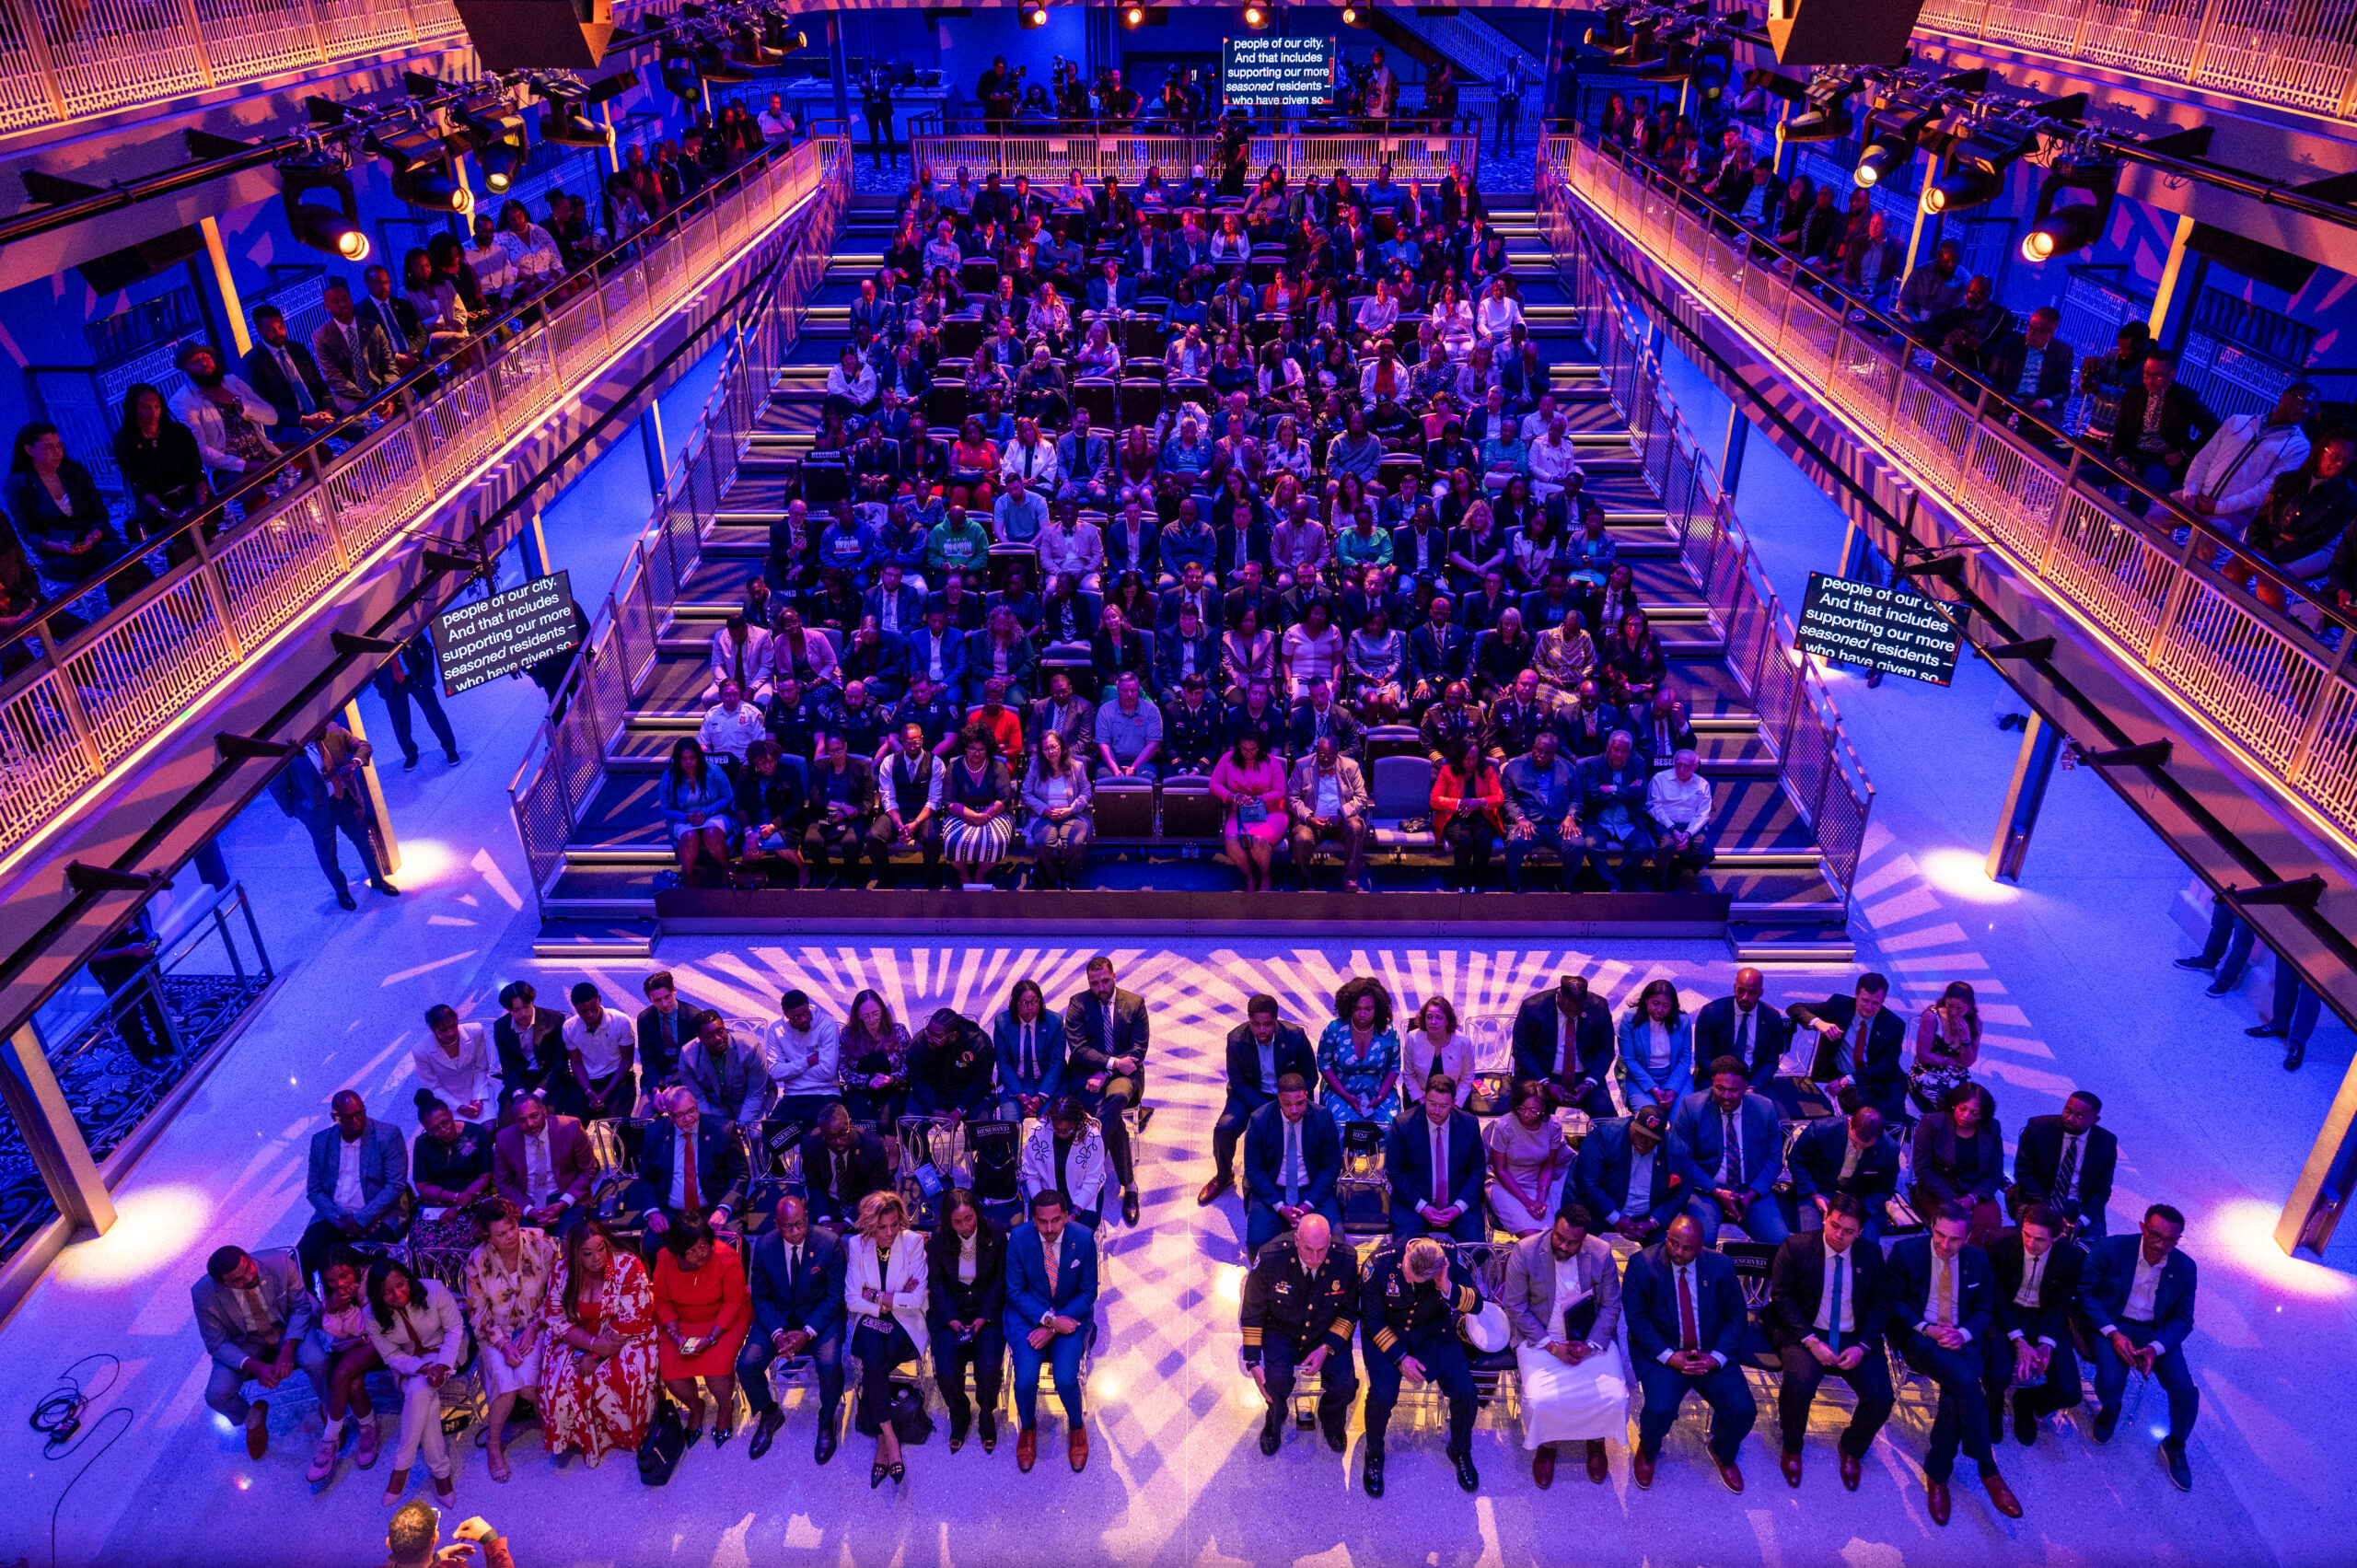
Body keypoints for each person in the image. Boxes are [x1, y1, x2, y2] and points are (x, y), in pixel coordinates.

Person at [1886, 1202, 2021, 1524]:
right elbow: (1893, 1302)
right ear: (1931, 1227)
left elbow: (1984, 1309)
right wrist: (1927, 1328)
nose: (1946, 1245)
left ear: (1968, 1236)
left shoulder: (1979, 1260)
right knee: (1966, 1381)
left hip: (1963, 1339)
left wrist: (1963, 1334)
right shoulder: (1907, 1253)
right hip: (1921, 1337)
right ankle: (1988, 1469)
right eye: (1940, 1235)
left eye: (1955, 1239)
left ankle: (1937, 1473)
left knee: (1956, 1394)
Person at [1764, 1193, 1894, 1492]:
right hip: (1806, 1330)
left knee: (1881, 1398)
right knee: (1798, 1385)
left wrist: (1863, 1346)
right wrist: (1811, 1341)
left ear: (1860, 1232)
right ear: (1825, 1217)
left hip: (1853, 1335)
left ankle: (1852, 1448)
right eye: (1834, 1225)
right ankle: (1792, 1445)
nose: (1838, 1235)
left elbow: (1881, 1305)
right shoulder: (1796, 1246)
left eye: (1848, 1231)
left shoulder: (1871, 1254)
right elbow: (1781, 1298)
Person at [1503, 1199, 1627, 1489]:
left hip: (1589, 1336)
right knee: (1540, 1399)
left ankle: (1596, 1440)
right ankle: (1547, 1445)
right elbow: (1516, 1306)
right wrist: (1552, 1346)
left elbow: (1611, 1305)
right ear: (1553, 1228)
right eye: (1559, 1237)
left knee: (1614, 1396)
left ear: (1584, 1240)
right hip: (1539, 1337)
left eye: (1572, 1242)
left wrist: (1591, 1345)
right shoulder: (1526, 1251)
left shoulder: (1601, 1252)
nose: (1563, 1245)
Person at [1624, 1214, 1752, 1493]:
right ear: (1667, 1236)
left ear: (1701, 1246)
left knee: (1743, 1411)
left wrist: (1716, 1357)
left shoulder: (1721, 1266)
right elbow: (1637, 1319)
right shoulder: (1641, 1265)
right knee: (1659, 1409)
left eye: (1687, 1248)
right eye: (1673, 1243)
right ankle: (1648, 1449)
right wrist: (1670, 1357)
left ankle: (1721, 1450)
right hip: (1664, 1352)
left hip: (1709, 1352)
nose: (1679, 1252)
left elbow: (1737, 1318)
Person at [2081, 1202, 2200, 1491]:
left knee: (2185, 1390)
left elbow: (2184, 1319)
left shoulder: (2185, 1268)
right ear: (2143, 1228)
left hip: (2156, 1332)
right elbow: (2085, 1293)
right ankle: (2111, 1408)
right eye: (2156, 1236)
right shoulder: (2111, 1249)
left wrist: (2156, 1347)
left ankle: (2175, 1444)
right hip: (2113, 1323)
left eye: (2170, 1241)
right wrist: (2113, 1333)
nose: (2161, 1246)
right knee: (2111, 1381)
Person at [1358, 1235, 1481, 1496]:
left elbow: (1477, 1304)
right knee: (1382, 1395)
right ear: (1408, 1253)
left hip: (1432, 1331)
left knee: (1466, 1391)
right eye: (1407, 1270)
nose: (1408, 1277)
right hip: (1388, 1332)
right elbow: (1372, 1321)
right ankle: (1374, 1452)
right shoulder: (1378, 1264)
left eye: (1416, 1278)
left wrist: (1447, 1286)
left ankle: (1460, 1449)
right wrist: (1400, 1358)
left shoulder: (1447, 1256)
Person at [540, 1218, 659, 1469]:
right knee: (559, 1382)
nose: (597, 1257)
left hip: (625, 1334)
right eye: (588, 1253)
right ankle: (581, 1441)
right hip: (579, 1334)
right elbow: (557, 1318)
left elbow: (633, 1318)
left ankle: (626, 1437)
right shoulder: (562, 1271)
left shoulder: (627, 1265)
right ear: (575, 1254)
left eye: (601, 1248)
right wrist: (593, 1344)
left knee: (626, 1376)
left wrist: (596, 1357)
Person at [192, 1245, 330, 1459]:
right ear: (223, 1284)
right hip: (245, 1340)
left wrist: (288, 1348)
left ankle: (330, 1408)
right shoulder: (203, 1294)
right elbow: (216, 1344)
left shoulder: (281, 1263)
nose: (249, 1277)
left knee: (317, 1361)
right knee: (216, 1395)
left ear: (248, 1258)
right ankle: (253, 1417)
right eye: (238, 1279)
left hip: (287, 1326)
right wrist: (254, 1366)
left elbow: (301, 1308)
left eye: (248, 1268)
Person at [1240, 1212, 1360, 1455]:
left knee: (1346, 1386)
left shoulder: (1345, 1259)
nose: (1315, 1258)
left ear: (1329, 1241)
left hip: (1326, 1330)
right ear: (1296, 1240)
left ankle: (1331, 1421)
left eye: (1322, 1250)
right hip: (1282, 1330)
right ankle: (1275, 1420)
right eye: (1308, 1249)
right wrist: (1252, 1362)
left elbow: (1349, 1311)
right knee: (1274, 1384)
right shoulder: (1271, 1257)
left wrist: (1326, 1347)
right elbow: (1252, 1310)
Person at [739, 1193, 848, 1463]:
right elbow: (760, 1297)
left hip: (820, 1318)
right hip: (778, 1317)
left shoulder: (829, 1243)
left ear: (807, 1217)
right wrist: (777, 1333)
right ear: (777, 1224)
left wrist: (808, 1331)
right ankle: (769, 1413)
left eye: (800, 1223)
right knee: (747, 1364)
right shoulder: (765, 1246)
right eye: (788, 1226)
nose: (796, 1231)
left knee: (830, 1365)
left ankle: (827, 1418)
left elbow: (835, 1297)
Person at [1005, 1187, 1098, 1473]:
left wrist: (1055, 1325)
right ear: (1033, 1219)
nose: (1049, 1228)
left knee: (1066, 1379)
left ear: (1066, 1216)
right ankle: (1028, 1427)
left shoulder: (1083, 1239)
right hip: (1028, 1317)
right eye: (1042, 1221)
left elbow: (1088, 1293)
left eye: (1055, 1220)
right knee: (1024, 1382)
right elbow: (1015, 1292)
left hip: (1071, 1314)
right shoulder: (1019, 1238)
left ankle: (1077, 1426)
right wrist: (1050, 1321)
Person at [461, 1200, 556, 1482]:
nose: (511, 1235)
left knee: (527, 1385)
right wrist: (503, 1344)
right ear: (487, 1236)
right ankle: (493, 1444)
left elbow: (558, 1292)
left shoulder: (541, 1243)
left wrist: (534, 1329)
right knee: (506, 1385)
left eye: (512, 1226)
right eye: (501, 1233)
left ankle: (552, 1428)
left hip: (537, 1324)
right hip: (495, 1332)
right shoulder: (477, 1260)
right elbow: (477, 1313)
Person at [361, 1257, 466, 1508]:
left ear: (407, 1278)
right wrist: (421, 1367)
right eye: (388, 1292)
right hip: (408, 1363)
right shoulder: (371, 1314)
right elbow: (390, 1355)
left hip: (445, 1351)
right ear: (378, 1296)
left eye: (401, 1284)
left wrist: (442, 1365)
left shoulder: (434, 1290)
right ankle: (441, 1474)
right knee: (423, 1394)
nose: (398, 1294)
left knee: (419, 1391)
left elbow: (455, 1329)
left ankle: (401, 1468)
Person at [1981, 1204, 2085, 1450]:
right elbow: (1994, 1296)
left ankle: (2026, 1402)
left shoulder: (2071, 1257)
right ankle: (1993, 1407)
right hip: (2004, 1315)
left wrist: (2046, 1344)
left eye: (2039, 1239)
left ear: (2056, 1237)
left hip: (2043, 1319)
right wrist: (2019, 1341)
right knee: (1998, 1373)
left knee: (2070, 1391)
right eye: (2026, 1234)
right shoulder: (1998, 1242)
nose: (2030, 1243)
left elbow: (2061, 1304)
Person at [270, 722, 400, 911]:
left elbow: (363, 746)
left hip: (347, 799)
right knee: (328, 855)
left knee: (365, 841)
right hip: (317, 812)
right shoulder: (286, 751)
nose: (322, 730)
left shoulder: (332, 729)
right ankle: (341, 891)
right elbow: (278, 788)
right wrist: (297, 812)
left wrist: (354, 762)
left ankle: (378, 880)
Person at [650, 1208, 751, 1447]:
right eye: (692, 1250)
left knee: (717, 1368)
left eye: (704, 1245)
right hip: (681, 1322)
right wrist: (674, 1334)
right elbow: (662, 1301)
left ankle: (725, 1408)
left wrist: (712, 1337)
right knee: (671, 1373)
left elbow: (732, 1303)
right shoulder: (665, 1258)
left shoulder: (726, 1258)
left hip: (724, 1320)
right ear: (678, 1251)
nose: (701, 1253)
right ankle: (696, 1407)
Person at [1063, 956, 1148, 1226]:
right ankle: (1130, 1186)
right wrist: (1110, 1064)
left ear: (1114, 976)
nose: (1100, 988)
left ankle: (1090, 1154)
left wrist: (1108, 1071)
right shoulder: (1078, 1004)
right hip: (1087, 1076)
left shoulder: (1134, 1004)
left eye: (1104, 981)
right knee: (1115, 1121)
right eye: (1094, 983)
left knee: (1118, 1096)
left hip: (1123, 1074)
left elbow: (1137, 1051)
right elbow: (1079, 1049)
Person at [1669, 1054, 1789, 1245]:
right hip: (1705, 1189)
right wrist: (1715, 1191)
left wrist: (1752, 1193)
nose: (1726, 1095)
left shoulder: (1764, 1108)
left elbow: (1774, 1158)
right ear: (1712, 1082)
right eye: (1720, 1088)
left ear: (1745, 1087)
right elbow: (1680, 1158)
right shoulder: (1692, 1107)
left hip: (1751, 1189)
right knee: (1700, 1242)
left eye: (1733, 1090)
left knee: (1779, 1242)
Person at [926, 1188, 1008, 1452]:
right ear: (948, 1221)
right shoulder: (939, 1238)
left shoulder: (995, 1233)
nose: (965, 1226)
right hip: (951, 1312)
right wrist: (951, 1319)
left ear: (977, 1214)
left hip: (986, 1311)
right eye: (958, 1221)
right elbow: (937, 1283)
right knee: (946, 1372)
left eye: (969, 1218)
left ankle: (986, 1412)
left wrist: (983, 1317)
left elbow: (999, 1280)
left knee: (989, 1370)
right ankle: (960, 1413)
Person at [299, 1090, 411, 1283]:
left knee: (371, 1266)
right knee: (300, 1260)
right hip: (334, 1217)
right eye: (348, 1117)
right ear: (335, 1118)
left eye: (360, 1113)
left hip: (378, 1215)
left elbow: (395, 1185)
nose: (356, 1120)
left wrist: (360, 1220)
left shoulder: (387, 1135)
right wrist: (341, 1221)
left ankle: (370, 1301)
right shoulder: (321, 1141)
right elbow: (314, 1191)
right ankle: (315, 1302)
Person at [1242, 1072, 1341, 1259]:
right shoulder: (1259, 1120)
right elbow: (1254, 1170)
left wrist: (1308, 1204)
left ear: (1306, 1095)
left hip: (1312, 1190)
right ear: (1279, 1098)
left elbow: (1331, 1167)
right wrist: (1280, 1206)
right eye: (1287, 1104)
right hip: (1273, 1191)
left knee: (1335, 1240)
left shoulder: (1323, 1118)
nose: (1294, 1110)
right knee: (1257, 1242)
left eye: (1300, 1103)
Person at [1787, 971, 1909, 1123]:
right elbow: (1795, 1008)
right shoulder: (1838, 1006)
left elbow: (1885, 1066)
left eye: (1875, 1003)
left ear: (1883, 1001)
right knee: (1868, 1116)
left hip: (1884, 1079)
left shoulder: (1894, 1025)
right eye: (1865, 1000)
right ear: (1856, 994)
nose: (1869, 1007)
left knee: (1895, 1118)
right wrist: (1819, 1023)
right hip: (1851, 1082)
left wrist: (1847, 1080)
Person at [633, 1086, 749, 1242]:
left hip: (713, 1207)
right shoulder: (655, 1133)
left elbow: (740, 1174)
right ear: (670, 1115)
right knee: (651, 1244)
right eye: (680, 1115)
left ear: (696, 1105)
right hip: (671, 1212)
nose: (688, 1118)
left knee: (732, 1242)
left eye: (691, 1111)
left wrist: (724, 1208)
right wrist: (653, 1212)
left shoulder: (722, 1130)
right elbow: (646, 1179)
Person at [1385, 1074, 1485, 1242]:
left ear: (1454, 1103)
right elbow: (1396, 1173)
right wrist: (1422, 1207)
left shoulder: (1469, 1125)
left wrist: (1458, 1207)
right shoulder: (1403, 1125)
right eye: (1432, 1104)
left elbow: (1477, 1172)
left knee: (1477, 1250)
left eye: (1443, 1106)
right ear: (1424, 1097)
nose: (1436, 1111)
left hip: (1458, 1203)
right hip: (1414, 1204)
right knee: (1407, 1251)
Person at [1572, 1102, 1684, 1245]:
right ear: (1632, 1125)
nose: (1643, 1141)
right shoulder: (1605, 1137)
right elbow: (1588, 1183)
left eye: (1650, 1138)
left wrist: (1653, 1222)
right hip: (1600, 1211)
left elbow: (1681, 1193)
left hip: (1649, 1218)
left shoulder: (1676, 1150)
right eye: (1639, 1133)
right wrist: (1615, 1219)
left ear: (1661, 1139)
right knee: (1576, 1244)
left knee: (1670, 1250)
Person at [2012, 1089, 2117, 1239]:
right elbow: (2023, 1173)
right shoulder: (2038, 1128)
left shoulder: (2106, 1143)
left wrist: (2082, 1220)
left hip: (2080, 1205)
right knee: (2038, 1239)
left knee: (2091, 1248)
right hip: (2040, 1198)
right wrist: (2049, 1210)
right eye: (2067, 1111)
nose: (2069, 1118)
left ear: (2095, 1120)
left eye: (2079, 1116)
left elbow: (2102, 1190)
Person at [1507, 974, 1615, 1118]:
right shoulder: (1533, 1007)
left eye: (1577, 1011)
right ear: (1559, 997)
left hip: (1584, 1077)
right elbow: (1521, 1050)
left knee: (1607, 1118)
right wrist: (1545, 1083)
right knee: (1533, 1117)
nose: (1573, 1015)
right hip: (1541, 1075)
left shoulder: (1599, 1007)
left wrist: (1590, 1083)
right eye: (1568, 1010)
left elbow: (1606, 1050)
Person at [1789, 1098, 1898, 1237]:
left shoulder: (1889, 1149)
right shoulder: (1821, 1130)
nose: (1858, 1149)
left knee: (1866, 1245)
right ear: (1850, 1123)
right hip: (1819, 1190)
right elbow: (1796, 1161)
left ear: (1878, 1138)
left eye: (1864, 1147)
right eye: (1855, 1143)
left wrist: (1859, 1209)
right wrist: (1814, 1194)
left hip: (1859, 1200)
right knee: (1811, 1240)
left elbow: (1884, 1190)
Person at [490, 1091, 593, 1236]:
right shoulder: (505, 1139)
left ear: (543, 1110)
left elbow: (588, 1170)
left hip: (567, 1196)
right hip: (525, 1202)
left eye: (534, 1116)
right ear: (515, 1121)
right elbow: (503, 1183)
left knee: (565, 1241)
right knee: (527, 1243)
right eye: (522, 1120)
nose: (530, 1124)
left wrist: (563, 1203)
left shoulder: (570, 1127)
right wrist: (529, 1211)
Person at [1912, 1082, 2006, 1239]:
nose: (1966, 1116)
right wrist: (1952, 1199)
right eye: (1963, 1109)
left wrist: (1973, 1198)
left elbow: (1995, 1173)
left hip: (1977, 1190)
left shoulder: (1991, 1128)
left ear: (1982, 1115)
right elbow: (1922, 1169)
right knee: (1952, 1229)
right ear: (1954, 1105)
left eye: (1974, 1113)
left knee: (1986, 1231)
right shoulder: (1932, 1123)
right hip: (1938, 1191)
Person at [1286, 732, 1370, 890]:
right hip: (1312, 822)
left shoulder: (1351, 766)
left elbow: (1362, 797)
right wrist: (1309, 817)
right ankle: (1305, 878)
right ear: (1316, 751)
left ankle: (1350, 879)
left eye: (1330, 755)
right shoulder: (1302, 766)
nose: (1325, 759)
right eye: (1322, 754)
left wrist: (1341, 814)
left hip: (1342, 820)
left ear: (1337, 754)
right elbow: (1292, 797)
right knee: (1300, 839)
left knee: (1355, 827)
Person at [407, 1094, 492, 1252]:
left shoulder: (476, 1133)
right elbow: (422, 1186)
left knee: (466, 1239)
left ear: (450, 1115)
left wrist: (461, 1201)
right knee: (421, 1243)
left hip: (474, 1196)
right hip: (437, 1200)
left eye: (444, 1123)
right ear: (427, 1130)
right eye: (435, 1129)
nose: (443, 1130)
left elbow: (485, 1176)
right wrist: (453, 1197)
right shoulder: (423, 1143)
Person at [1692, 967, 1794, 1098]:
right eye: (1741, 991)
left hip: (1752, 1079)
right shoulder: (1711, 1012)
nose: (1745, 997)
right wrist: (1726, 1083)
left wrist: (1753, 1087)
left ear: (1761, 992)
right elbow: (1703, 1057)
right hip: (1715, 1077)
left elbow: (1770, 1061)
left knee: (1768, 1110)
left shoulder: (1771, 1017)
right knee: (1709, 1108)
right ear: (1735, 988)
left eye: (1752, 992)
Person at [1318, 974, 1401, 1127]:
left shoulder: (1389, 1032)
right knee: (1340, 1128)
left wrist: (1380, 1097)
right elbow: (1324, 1063)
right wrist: (1345, 1095)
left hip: (1379, 1092)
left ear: (1377, 1008)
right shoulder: (1334, 1029)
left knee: (1388, 1128)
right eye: (1357, 1009)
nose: (1362, 1014)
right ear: (1349, 1007)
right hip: (1340, 1091)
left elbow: (1394, 1067)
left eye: (1368, 1009)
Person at [1211, 729, 1288, 891]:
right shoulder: (1228, 760)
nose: (1249, 753)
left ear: (1260, 747)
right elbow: (1214, 784)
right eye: (1244, 749)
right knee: (1231, 840)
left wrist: (1258, 798)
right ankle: (1250, 876)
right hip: (1240, 811)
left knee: (1259, 840)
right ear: (1238, 747)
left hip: (1271, 811)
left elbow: (1280, 791)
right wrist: (1232, 797)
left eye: (1253, 749)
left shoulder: (1271, 762)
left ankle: (1265, 876)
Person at [370, 633, 461, 771]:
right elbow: (365, 666)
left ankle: (450, 749)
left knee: (435, 715)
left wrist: (427, 675)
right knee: (400, 723)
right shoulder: (371, 634)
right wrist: (379, 684)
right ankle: (410, 754)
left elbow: (427, 648)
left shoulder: (401, 626)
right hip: (391, 684)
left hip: (417, 676)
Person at [1021, 1093, 1110, 1228]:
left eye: (1067, 1130)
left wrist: (1075, 1213)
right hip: (1046, 1194)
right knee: (1041, 1232)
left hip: (1083, 1195)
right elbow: (1031, 1174)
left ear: (1077, 1122)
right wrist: (1043, 1206)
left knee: (1078, 1234)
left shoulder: (1092, 1136)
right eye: (1057, 1130)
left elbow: (1093, 1178)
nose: (1061, 1134)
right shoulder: (1038, 1131)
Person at [1576, 729, 1652, 889]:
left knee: (1643, 848)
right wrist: (1626, 791)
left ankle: (1613, 881)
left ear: (1629, 752)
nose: (1619, 754)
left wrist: (1611, 789)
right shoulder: (1594, 764)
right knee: (1591, 846)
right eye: (1616, 749)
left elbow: (1640, 792)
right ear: (1608, 747)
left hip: (1627, 821)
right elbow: (1592, 795)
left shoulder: (1637, 764)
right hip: (1599, 820)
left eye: (1623, 751)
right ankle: (1614, 884)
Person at [657, 736, 735, 889]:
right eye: (684, 758)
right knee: (689, 837)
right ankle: (689, 878)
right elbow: (665, 809)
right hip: (684, 818)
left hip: (714, 814)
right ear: (677, 759)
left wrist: (705, 812)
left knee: (711, 833)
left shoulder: (714, 771)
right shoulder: (669, 777)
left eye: (692, 758)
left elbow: (728, 798)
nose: (688, 762)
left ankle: (726, 871)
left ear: (698, 757)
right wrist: (686, 817)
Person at [799, 1103, 894, 1226]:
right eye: (831, 1137)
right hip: (828, 1204)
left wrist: (846, 1223)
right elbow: (814, 1186)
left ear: (850, 1123)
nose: (838, 1141)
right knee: (811, 1232)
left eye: (843, 1134)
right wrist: (825, 1220)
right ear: (822, 1134)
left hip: (862, 1204)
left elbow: (874, 1191)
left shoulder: (873, 1145)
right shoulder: (810, 1144)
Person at [1023, 727, 1095, 889]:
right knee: (1043, 843)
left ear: (1061, 746)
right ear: (1042, 751)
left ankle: (1068, 877)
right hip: (1043, 816)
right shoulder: (1035, 766)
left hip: (1073, 814)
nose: (1051, 751)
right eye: (1046, 748)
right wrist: (1044, 809)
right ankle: (1054, 877)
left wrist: (1071, 809)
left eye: (1054, 747)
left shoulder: (1077, 766)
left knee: (1075, 843)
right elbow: (1026, 793)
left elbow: (1086, 792)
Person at [762, 988, 842, 1128]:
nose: (804, 1019)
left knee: (820, 1133)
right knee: (771, 1134)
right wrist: (808, 1061)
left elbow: (828, 1072)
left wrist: (789, 1071)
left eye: (805, 1013)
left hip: (825, 1093)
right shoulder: (777, 1030)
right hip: (792, 1096)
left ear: (808, 1006)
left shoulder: (827, 1027)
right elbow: (774, 1072)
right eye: (797, 1017)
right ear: (786, 1014)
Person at [678, 1012, 769, 1130]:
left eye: (720, 1031)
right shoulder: (688, 1056)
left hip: (749, 1102)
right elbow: (698, 1098)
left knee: (754, 1135)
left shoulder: (751, 1048)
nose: (718, 1038)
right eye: (710, 1035)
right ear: (699, 1037)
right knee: (713, 1135)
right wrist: (714, 1126)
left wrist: (741, 1125)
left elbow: (755, 1094)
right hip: (715, 1106)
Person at [559, 981, 636, 1121]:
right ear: (576, 1008)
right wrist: (588, 1091)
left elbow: (627, 1060)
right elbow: (576, 1062)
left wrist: (606, 1093)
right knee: (572, 1124)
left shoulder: (621, 1021)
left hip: (617, 1078)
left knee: (615, 1125)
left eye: (593, 1009)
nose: (590, 1015)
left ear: (599, 1000)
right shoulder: (569, 1028)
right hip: (587, 1081)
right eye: (583, 1011)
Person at [634, 970, 714, 1105]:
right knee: (647, 1115)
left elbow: (696, 1062)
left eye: (667, 997)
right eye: (657, 1000)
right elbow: (648, 1059)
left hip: (686, 1076)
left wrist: (673, 1087)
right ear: (649, 999)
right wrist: (656, 1090)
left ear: (674, 990)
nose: (664, 1004)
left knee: (682, 1109)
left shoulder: (693, 1016)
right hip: (658, 1078)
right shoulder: (644, 1018)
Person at [1616, 976, 1694, 1111]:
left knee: (1681, 1117)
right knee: (1650, 1118)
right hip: (1641, 1077)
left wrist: (1672, 1088)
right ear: (1646, 1000)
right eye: (1655, 1003)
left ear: (1672, 1006)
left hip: (1675, 1076)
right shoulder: (1629, 1018)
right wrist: (1653, 1088)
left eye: (1666, 1006)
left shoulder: (1683, 1020)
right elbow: (1629, 1060)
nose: (1659, 1010)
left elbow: (1685, 1058)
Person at [838, 989, 912, 1130]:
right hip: (860, 1089)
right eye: (866, 1016)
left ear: (882, 1011)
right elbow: (844, 1069)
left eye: (875, 1014)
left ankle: (890, 1142)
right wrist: (868, 1081)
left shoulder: (898, 1031)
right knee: (862, 1123)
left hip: (893, 1088)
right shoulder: (848, 1035)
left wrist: (892, 1079)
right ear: (858, 1015)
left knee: (886, 1121)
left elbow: (909, 1064)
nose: (872, 1020)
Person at [994, 976, 1066, 1121]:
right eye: (1024, 1003)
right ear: (1015, 1003)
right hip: (1015, 1085)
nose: (1030, 1007)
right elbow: (1003, 1064)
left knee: (1049, 1122)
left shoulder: (1055, 1022)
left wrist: (1041, 1098)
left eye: (1034, 1001)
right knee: (1011, 1124)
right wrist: (1020, 1096)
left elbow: (1056, 1064)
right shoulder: (1002, 1022)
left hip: (1046, 1084)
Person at [1910, 979, 1982, 1117]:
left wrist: (1966, 1039)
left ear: (1969, 1006)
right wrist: (1951, 1061)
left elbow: (1967, 1062)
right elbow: (1923, 1055)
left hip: (1957, 1074)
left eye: (1959, 1008)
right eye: (1950, 1006)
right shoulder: (1932, 1017)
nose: (1953, 1012)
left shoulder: (1975, 1023)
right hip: (1927, 1071)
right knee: (1949, 1105)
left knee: (1974, 1103)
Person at [412, 1006, 494, 1124]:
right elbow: (433, 1087)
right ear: (432, 1030)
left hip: (479, 1088)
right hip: (447, 1100)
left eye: (453, 1026)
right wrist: (458, 1107)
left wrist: (478, 1097)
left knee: (490, 1126)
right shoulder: (421, 1051)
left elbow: (481, 1068)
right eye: (443, 1030)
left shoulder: (475, 1032)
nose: (450, 1033)